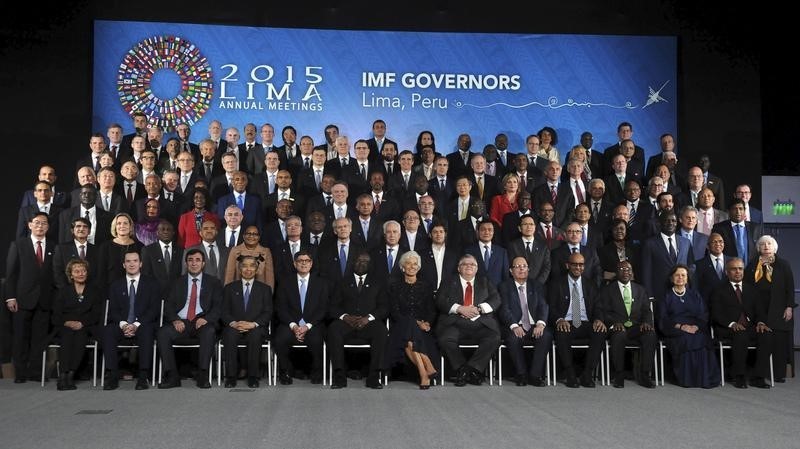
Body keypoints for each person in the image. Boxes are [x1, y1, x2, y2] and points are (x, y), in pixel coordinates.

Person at [157, 249, 223, 389]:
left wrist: (207, 319)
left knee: (209, 331)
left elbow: (218, 306)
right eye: (190, 260)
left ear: (203, 263)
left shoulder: (214, 282)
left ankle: (203, 374)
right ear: (186, 263)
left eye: (197, 260)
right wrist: (175, 319)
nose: (194, 263)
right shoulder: (177, 282)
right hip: (182, 322)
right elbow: (168, 305)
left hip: (202, 322)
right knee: (163, 332)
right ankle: (172, 375)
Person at [5, 212, 55, 383]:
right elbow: (11, 274)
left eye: (44, 223)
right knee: (20, 337)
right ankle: (20, 373)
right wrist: (10, 297)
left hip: (44, 300)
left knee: (39, 339)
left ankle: (35, 372)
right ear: (30, 225)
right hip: (22, 299)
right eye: (37, 223)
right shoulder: (19, 244)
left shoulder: (54, 247)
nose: (40, 226)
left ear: (48, 227)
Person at [436, 254, 501, 386]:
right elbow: (440, 301)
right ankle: (463, 369)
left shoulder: (485, 281)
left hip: (480, 323)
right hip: (455, 323)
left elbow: (496, 299)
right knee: (445, 339)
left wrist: (479, 309)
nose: (469, 266)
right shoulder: (448, 281)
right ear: (459, 268)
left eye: (472, 264)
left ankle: (470, 370)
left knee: (494, 337)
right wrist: (459, 308)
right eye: (465, 264)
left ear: (477, 269)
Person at [328, 252, 388, 389]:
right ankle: (339, 377)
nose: (361, 263)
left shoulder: (377, 283)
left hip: (369, 324)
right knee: (333, 329)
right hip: (346, 324)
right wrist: (346, 317)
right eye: (359, 261)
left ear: (370, 264)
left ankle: (373, 378)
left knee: (381, 331)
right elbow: (332, 307)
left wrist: (368, 318)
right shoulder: (343, 282)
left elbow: (384, 307)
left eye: (365, 261)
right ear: (352, 263)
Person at [102, 250, 160, 390]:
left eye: (135, 261)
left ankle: (142, 376)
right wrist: (123, 325)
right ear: (123, 265)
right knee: (108, 331)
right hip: (121, 324)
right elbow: (113, 310)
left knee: (146, 332)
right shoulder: (116, 285)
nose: (131, 264)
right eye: (128, 261)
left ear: (141, 264)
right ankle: (113, 375)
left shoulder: (152, 284)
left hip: (143, 323)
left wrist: (135, 325)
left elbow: (154, 310)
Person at [711, 258, 773, 388]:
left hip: (749, 327)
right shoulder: (718, 290)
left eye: (740, 268)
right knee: (741, 335)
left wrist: (761, 322)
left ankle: (758, 377)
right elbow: (716, 313)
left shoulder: (752, 290)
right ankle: (738, 376)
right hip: (727, 328)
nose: (738, 272)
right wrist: (732, 323)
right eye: (734, 269)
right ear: (727, 272)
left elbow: (760, 311)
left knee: (766, 335)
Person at [547, 252, 607, 387]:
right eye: (574, 264)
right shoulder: (556, 284)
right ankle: (570, 374)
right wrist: (559, 320)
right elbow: (551, 307)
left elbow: (598, 306)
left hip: (585, 322)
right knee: (561, 332)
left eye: (581, 265)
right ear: (567, 265)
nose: (578, 267)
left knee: (600, 332)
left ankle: (587, 374)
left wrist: (598, 319)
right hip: (566, 322)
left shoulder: (591, 284)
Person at [658, 264, 720, 388]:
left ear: (687, 278)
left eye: (683, 275)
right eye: (677, 275)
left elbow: (703, 314)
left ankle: (704, 378)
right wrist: (681, 326)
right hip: (675, 329)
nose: (680, 278)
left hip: (695, 327)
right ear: (671, 278)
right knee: (687, 338)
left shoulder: (695, 295)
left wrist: (695, 327)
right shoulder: (666, 297)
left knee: (701, 338)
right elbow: (662, 319)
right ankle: (688, 379)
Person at [384, 251, 439, 389]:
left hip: (420, 330)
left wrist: (427, 323)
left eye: (415, 264)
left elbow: (431, 310)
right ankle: (426, 367)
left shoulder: (426, 286)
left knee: (409, 341)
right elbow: (395, 313)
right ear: (403, 267)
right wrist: (416, 323)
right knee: (408, 325)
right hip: (400, 325)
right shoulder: (394, 286)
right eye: (408, 263)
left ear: (419, 267)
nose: (412, 266)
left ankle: (423, 373)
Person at [597, 260, 657, 388]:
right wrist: (614, 323)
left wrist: (647, 323)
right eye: (622, 269)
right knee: (619, 335)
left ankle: (645, 374)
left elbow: (647, 310)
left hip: (636, 327)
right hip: (618, 327)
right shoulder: (607, 290)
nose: (626, 272)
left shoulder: (640, 289)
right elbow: (603, 312)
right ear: (616, 272)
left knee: (650, 334)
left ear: (632, 272)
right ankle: (619, 374)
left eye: (628, 269)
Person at [745, 235, 796, 383]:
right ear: (758, 248)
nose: (766, 246)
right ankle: (761, 372)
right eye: (763, 244)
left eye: (769, 244)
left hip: (779, 308)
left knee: (779, 341)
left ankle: (778, 373)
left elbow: (790, 288)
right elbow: (747, 287)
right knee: (765, 339)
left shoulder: (783, 264)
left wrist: (789, 307)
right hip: (759, 309)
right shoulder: (752, 265)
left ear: (774, 248)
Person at [274, 250, 329, 385]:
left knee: (317, 339)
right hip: (290, 323)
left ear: (311, 264)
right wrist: (294, 326)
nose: (303, 263)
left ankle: (317, 372)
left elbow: (323, 308)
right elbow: (281, 307)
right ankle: (285, 372)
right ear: (294, 263)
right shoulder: (285, 282)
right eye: (300, 261)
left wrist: (307, 326)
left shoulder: (321, 283)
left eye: (307, 261)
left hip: (313, 324)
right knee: (279, 339)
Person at [498, 256, 553, 386]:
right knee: (512, 338)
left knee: (546, 335)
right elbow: (504, 309)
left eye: (524, 266)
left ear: (528, 269)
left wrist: (540, 323)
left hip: (534, 324)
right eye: (517, 266)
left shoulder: (537, 285)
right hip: (515, 324)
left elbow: (543, 306)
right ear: (511, 271)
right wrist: (514, 325)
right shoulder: (504, 286)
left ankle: (535, 375)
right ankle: (521, 374)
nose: (521, 268)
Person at [221, 254, 273, 388]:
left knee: (255, 336)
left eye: (252, 266)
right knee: (229, 335)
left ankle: (253, 376)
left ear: (256, 269)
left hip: (255, 327)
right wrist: (234, 323)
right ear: (239, 269)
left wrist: (253, 324)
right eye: (244, 266)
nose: (248, 269)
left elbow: (268, 312)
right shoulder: (229, 288)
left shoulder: (265, 289)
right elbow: (224, 311)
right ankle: (231, 376)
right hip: (235, 326)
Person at [51, 258, 102, 390]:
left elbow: (96, 314)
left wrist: (82, 323)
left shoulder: (94, 291)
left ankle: (71, 375)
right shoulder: (63, 291)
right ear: (71, 274)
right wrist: (67, 322)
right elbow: (56, 314)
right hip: (65, 325)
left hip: (85, 326)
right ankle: (62, 375)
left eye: (83, 270)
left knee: (80, 337)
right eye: (77, 271)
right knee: (67, 337)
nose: (81, 273)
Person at [97, 213, 143, 292]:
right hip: (111, 290)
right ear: (115, 227)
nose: (122, 226)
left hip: (134, 290)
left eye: (125, 223)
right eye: (119, 223)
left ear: (130, 226)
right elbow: (101, 274)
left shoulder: (140, 246)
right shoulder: (105, 247)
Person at [223, 225, 275, 290]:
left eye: (255, 234)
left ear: (259, 237)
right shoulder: (235, 250)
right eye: (248, 233)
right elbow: (229, 275)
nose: (251, 236)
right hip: (238, 292)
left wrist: (268, 295)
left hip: (260, 292)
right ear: (243, 236)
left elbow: (269, 278)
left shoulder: (266, 252)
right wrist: (227, 293)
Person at [598, 218, 639, 285]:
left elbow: (636, 272)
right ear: (611, 231)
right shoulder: (603, 251)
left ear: (626, 231)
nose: (619, 231)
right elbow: (603, 274)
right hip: (611, 286)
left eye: (622, 228)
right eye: (616, 229)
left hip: (632, 286)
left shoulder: (633, 249)